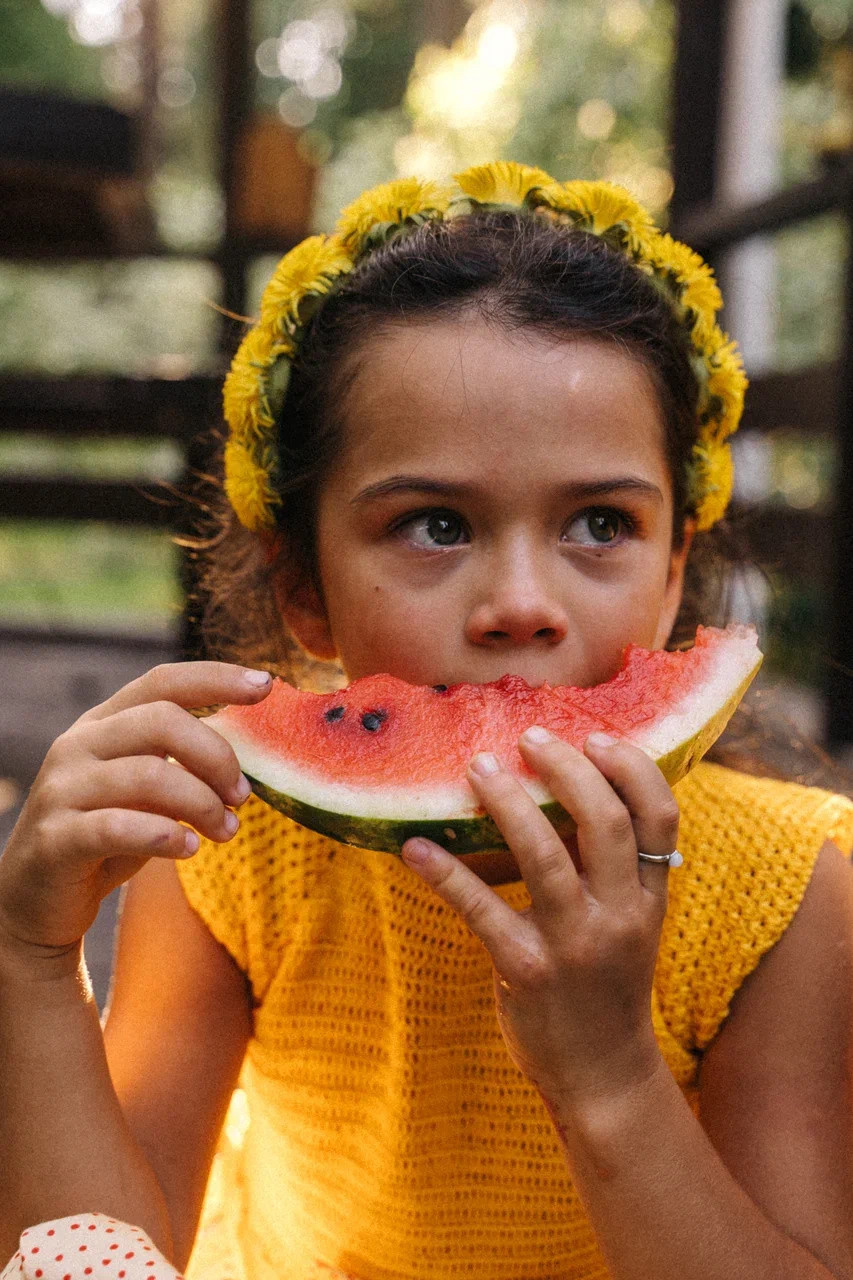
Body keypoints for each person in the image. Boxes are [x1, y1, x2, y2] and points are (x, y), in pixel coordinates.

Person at [2, 161, 853, 1280]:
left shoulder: (785, 893)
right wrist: (32, 957)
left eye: (601, 521)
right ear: (302, 583)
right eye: (435, 524)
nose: (519, 604)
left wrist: (608, 1073)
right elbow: (108, 1260)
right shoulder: (223, 851)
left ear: (672, 565)